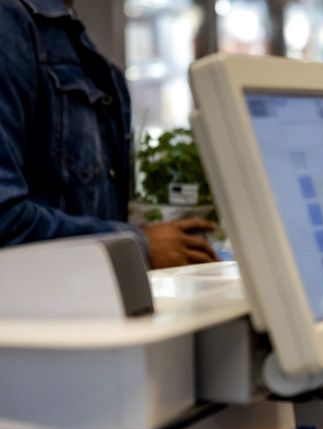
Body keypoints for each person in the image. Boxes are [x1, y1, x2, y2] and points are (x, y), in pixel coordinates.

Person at [0, 0, 217, 268]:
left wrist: (152, 233)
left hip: (86, 300)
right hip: (40, 305)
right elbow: (5, 219)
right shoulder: (8, 22)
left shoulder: (72, 44)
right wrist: (139, 245)